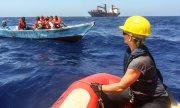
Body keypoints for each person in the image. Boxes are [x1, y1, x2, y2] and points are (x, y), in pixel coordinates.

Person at [91, 16, 171, 108]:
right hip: (138, 95)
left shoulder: (140, 61)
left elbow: (120, 87)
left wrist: (100, 87)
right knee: (105, 97)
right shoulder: (132, 52)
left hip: (155, 100)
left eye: (124, 32)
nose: (122, 35)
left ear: (129, 37)